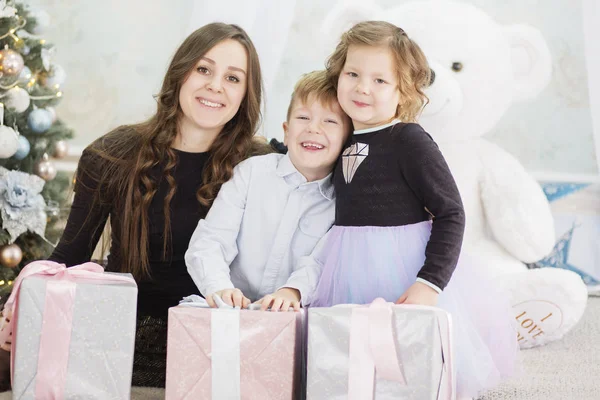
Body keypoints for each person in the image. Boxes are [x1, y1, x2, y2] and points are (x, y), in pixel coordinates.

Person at [0, 23, 270, 389]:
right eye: (203, 69)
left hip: (216, 346)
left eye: (233, 78)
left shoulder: (262, 166)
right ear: (180, 74)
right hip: (117, 339)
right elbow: (71, 254)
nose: (215, 85)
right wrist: (17, 307)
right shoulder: (113, 153)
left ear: (245, 95)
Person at [309, 21, 518, 398]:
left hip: (402, 264)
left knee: (407, 353)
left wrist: (430, 282)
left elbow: (451, 212)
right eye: (353, 73)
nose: (362, 87)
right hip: (346, 259)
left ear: (404, 91)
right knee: (349, 352)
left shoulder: (408, 139)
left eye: (380, 80)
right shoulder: (339, 133)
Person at [185, 70, 351, 312]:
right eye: (303, 118)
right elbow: (211, 240)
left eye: (330, 121)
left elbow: (320, 263)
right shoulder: (251, 173)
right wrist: (219, 287)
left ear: (347, 140)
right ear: (286, 130)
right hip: (229, 314)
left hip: (293, 320)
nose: (314, 129)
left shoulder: (343, 201)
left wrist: (293, 290)